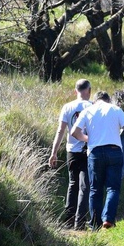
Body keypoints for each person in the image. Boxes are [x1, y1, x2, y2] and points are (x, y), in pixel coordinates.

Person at [72, 91, 124, 230]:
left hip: (95, 153)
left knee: (95, 189)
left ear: (95, 101)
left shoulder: (87, 111)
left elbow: (74, 132)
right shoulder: (115, 109)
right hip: (114, 151)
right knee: (113, 188)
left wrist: (88, 139)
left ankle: (95, 225)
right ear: (108, 100)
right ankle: (108, 219)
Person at [48, 79, 92, 230]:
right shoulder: (92, 107)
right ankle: (80, 222)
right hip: (88, 150)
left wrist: (54, 152)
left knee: (73, 184)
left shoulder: (67, 107)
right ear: (89, 91)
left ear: (75, 91)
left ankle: (69, 218)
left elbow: (60, 130)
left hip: (71, 150)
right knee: (85, 185)